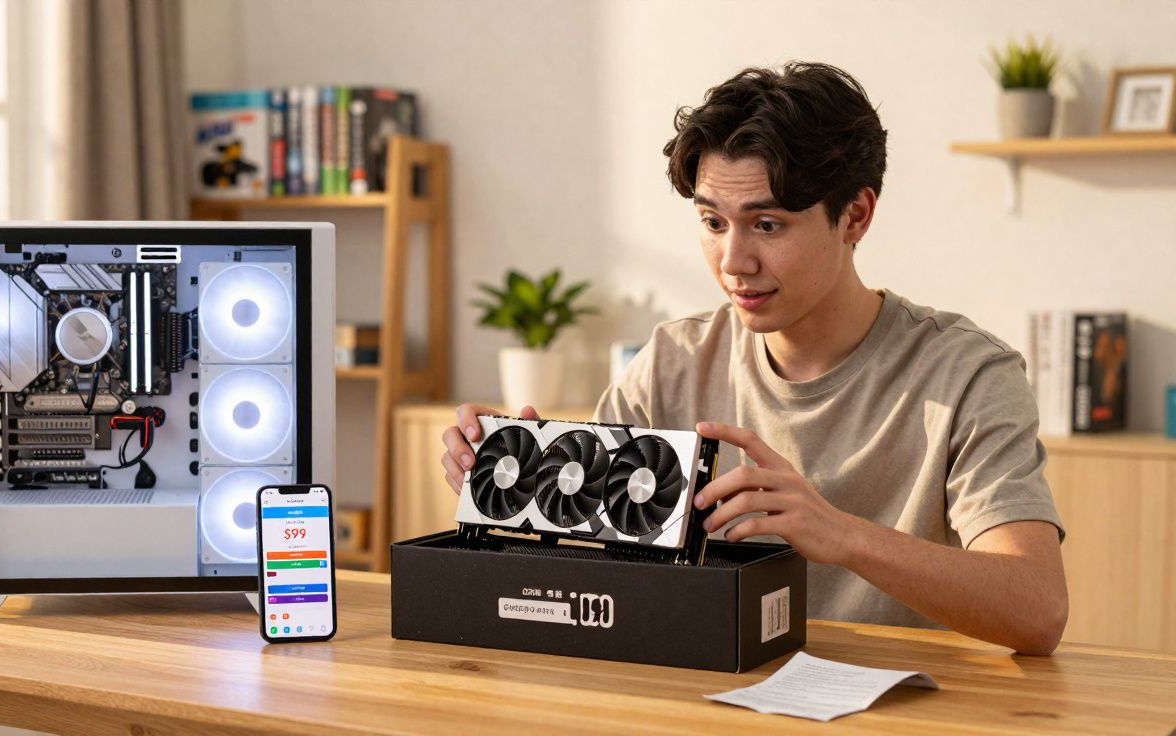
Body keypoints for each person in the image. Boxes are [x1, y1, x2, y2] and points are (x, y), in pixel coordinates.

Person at [441, 62, 1067, 655]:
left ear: (855, 216)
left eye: (767, 225)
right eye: (714, 223)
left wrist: (840, 534)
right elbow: (598, 580)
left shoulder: (967, 375)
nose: (734, 263)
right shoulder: (672, 363)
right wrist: (523, 484)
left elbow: (1038, 611)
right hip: (709, 694)